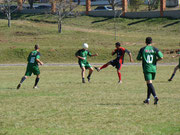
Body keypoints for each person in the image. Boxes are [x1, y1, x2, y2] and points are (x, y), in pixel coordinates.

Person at [137, 37, 163, 105]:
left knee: (149, 84)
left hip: (147, 68)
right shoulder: (155, 49)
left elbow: (138, 58)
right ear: (151, 42)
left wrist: (143, 59)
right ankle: (148, 99)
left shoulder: (143, 49)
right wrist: (156, 60)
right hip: (153, 68)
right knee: (149, 84)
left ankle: (155, 97)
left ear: (145, 42)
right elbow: (161, 57)